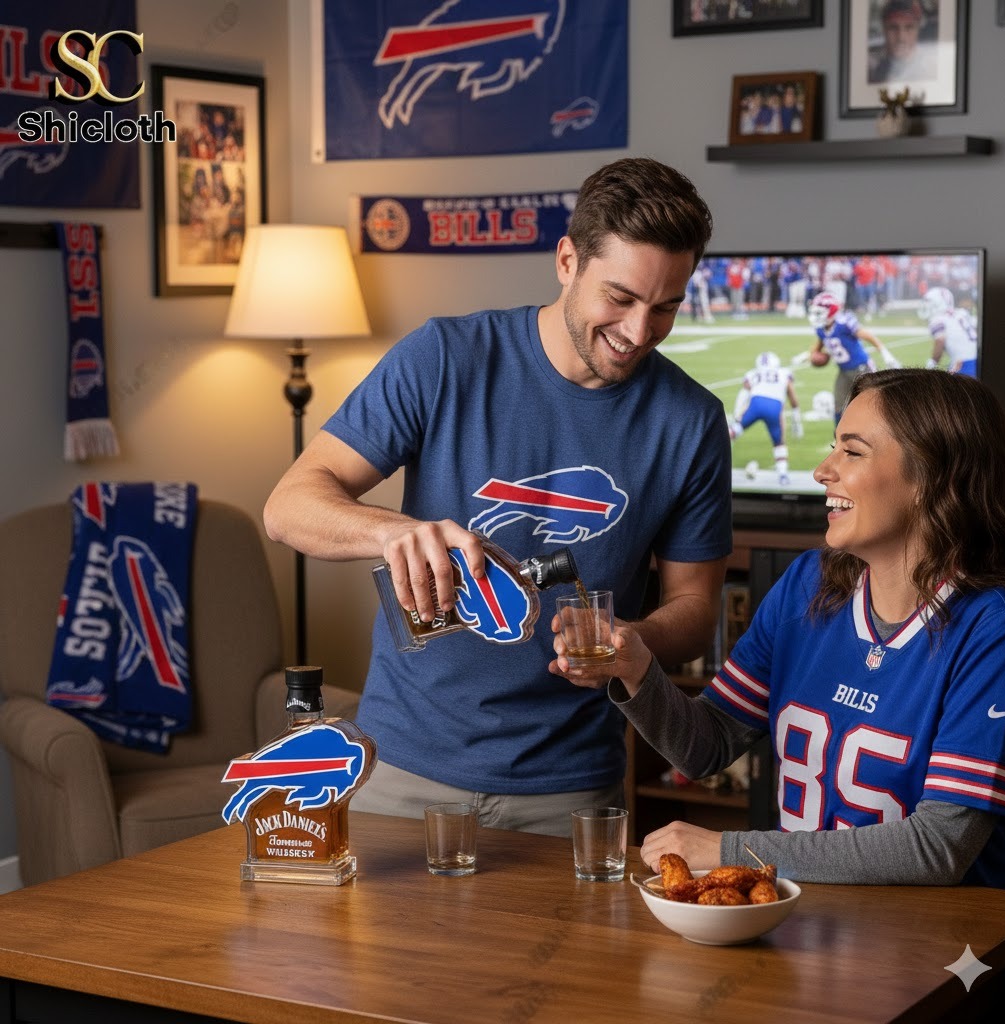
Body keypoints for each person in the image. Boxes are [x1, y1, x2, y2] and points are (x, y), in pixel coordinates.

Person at [263, 157, 733, 838]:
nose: (639, 332)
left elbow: (694, 609)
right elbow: (288, 508)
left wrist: (633, 639)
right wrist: (392, 533)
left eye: (665, 307)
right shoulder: (445, 357)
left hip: (572, 787)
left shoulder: (692, 421)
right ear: (567, 260)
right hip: (399, 769)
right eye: (621, 299)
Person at [560, 369, 1005, 888]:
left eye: (852, 452)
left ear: (931, 478)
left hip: (936, 943)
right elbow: (704, 746)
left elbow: (938, 846)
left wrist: (727, 849)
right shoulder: (808, 584)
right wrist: (638, 668)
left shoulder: (995, 625)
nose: (823, 470)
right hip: (810, 926)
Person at [807, 290, 900, 424]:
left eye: (819, 312)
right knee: (839, 407)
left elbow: (867, 336)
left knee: (872, 403)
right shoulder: (821, 328)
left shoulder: (844, 323)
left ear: (831, 311)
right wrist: (811, 356)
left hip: (861, 368)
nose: (816, 316)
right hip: (844, 371)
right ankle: (839, 438)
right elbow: (818, 348)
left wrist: (885, 352)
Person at [728, 351, 802, 487]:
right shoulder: (784, 373)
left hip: (755, 404)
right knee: (779, 442)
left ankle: (713, 454)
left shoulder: (752, 373)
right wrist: (796, 415)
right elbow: (792, 394)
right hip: (774, 406)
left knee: (733, 431)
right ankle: (783, 475)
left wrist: (737, 415)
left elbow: (744, 394)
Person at [868, 0, 937, 85]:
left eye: (909, 28)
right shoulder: (876, 71)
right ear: (884, 30)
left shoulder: (931, 68)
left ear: (918, 30)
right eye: (893, 28)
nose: (901, 37)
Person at [920, 286, 979, 377]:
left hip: (963, 363)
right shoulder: (962, 313)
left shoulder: (938, 320)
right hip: (978, 359)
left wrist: (932, 363)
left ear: (938, 303)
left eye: (930, 303)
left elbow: (940, 340)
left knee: (946, 387)